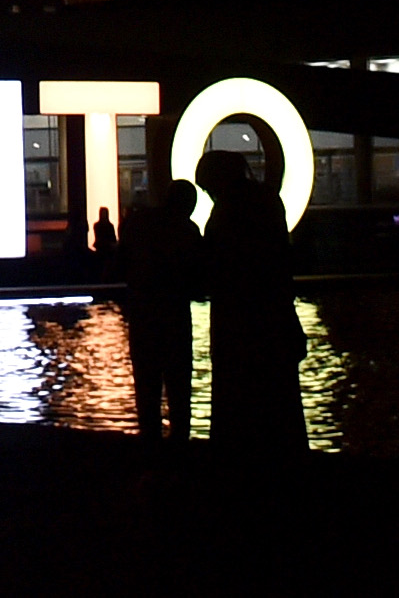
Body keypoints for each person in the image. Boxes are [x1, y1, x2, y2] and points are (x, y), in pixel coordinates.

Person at [194, 148, 301, 453]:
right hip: (273, 318)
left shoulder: (226, 211)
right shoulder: (267, 202)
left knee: (236, 405)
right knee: (280, 407)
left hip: (235, 321)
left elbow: (214, 263)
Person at [123, 177, 199, 441]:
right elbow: (197, 278)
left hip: (143, 316)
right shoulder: (188, 230)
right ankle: (179, 450)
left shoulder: (137, 223)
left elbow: (123, 263)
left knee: (146, 390)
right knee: (179, 393)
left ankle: (150, 450)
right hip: (175, 318)